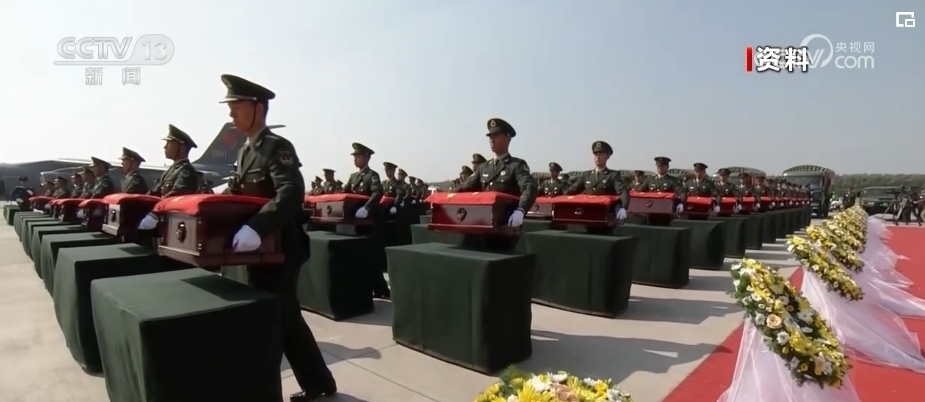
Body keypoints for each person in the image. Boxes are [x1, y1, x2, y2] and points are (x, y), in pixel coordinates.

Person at [216, 74, 335, 401]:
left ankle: (312, 383)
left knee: (278, 317)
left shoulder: (276, 147)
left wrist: (257, 227)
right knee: (286, 317)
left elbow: (291, 191)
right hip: (258, 249)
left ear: (257, 108)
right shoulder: (245, 152)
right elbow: (236, 192)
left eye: (236, 106)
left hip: (281, 246)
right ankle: (320, 382)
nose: (231, 113)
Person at [454, 118, 538, 223]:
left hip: (506, 222)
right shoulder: (484, 167)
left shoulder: (517, 165)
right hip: (482, 221)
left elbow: (529, 188)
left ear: (508, 138)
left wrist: (521, 210)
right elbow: (466, 187)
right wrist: (446, 195)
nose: (492, 140)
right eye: (490, 137)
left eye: (496, 136)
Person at [343, 143, 391, 299]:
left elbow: (377, 193)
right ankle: (368, 287)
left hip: (371, 221)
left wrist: (367, 208)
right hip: (357, 222)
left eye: (358, 156)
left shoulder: (372, 175)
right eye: (354, 157)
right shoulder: (353, 177)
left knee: (372, 255)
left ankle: (381, 289)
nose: (355, 159)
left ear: (366, 157)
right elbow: (345, 193)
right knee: (362, 255)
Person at [565, 141, 629, 219]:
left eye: (601, 154)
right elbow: (572, 190)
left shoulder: (613, 175)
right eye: (596, 154)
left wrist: (623, 207)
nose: (598, 157)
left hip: (604, 214)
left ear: (608, 156)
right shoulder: (586, 175)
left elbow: (622, 191)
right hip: (586, 213)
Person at [146, 125, 199, 198]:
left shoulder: (186, 170)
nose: (165, 147)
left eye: (169, 143)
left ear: (181, 147)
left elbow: (177, 194)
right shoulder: (171, 171)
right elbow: (155, 191)